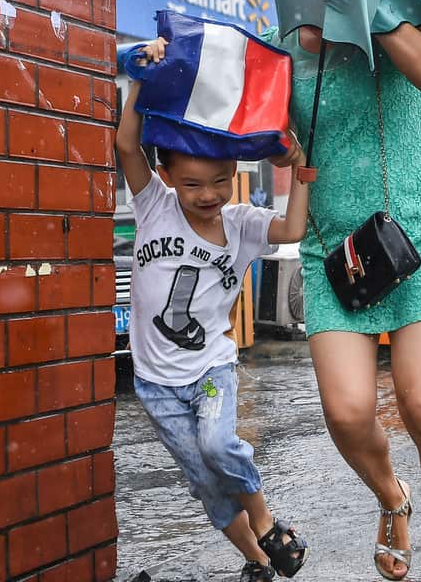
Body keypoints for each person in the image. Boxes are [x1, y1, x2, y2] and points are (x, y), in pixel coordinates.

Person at [265, 21, 421, 582]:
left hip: (415, 238)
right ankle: (393, 497)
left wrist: (377, 19)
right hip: (334, 251)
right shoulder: (279, 43)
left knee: (420, 401)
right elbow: (266, 134)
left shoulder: (394, 21)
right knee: (346, 411)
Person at [115, 37, 313, 582]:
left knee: (219, 444)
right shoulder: (154, 204)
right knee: (205, 482)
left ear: (235, 174)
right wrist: (137, 78)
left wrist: (303, 171)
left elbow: (292, 229)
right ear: (169, 177)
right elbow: (128, 147)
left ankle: (269, 525)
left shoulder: (243, 223)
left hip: (209, 369)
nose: (208, 194)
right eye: (192, 184)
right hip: (155, 383)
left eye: (220, 181)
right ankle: (257, 561)